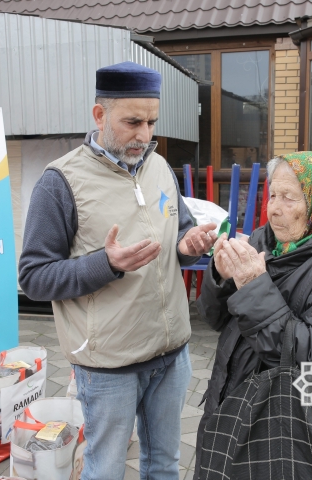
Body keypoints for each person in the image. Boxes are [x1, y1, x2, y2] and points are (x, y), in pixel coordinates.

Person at [18, 61, 217, 480]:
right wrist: (104, 264)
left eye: (151, 121)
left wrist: (188, 245)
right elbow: (33, 277)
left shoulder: (159, 167)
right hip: (108, 365)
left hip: (172, 353)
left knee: (164, 465)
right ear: (99, 115)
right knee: (105, 469)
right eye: (132, 122)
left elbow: (178, 233)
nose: (144, 135)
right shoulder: (61, 182)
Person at [194, 152, 312, 479]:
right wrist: (221, 277)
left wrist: (252, 284)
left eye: (289, 198)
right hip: (233, 408)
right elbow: (215, 319)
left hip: (298, 431)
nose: (274, 208)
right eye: (273, 195)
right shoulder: (264, 240)